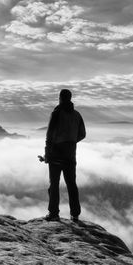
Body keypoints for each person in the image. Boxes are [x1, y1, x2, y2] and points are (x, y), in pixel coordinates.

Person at [43, 89, 86, 222]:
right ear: (70, 98)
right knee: (71, 184)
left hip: (56, 154)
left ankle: (53, 213)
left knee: (54, 184)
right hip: (70, 155)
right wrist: (71, 142)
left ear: (60, 98)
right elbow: (82, 134)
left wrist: (47, 154)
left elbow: (49, 135)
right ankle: (75, 215)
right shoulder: (77, 115)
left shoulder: (56, 113)